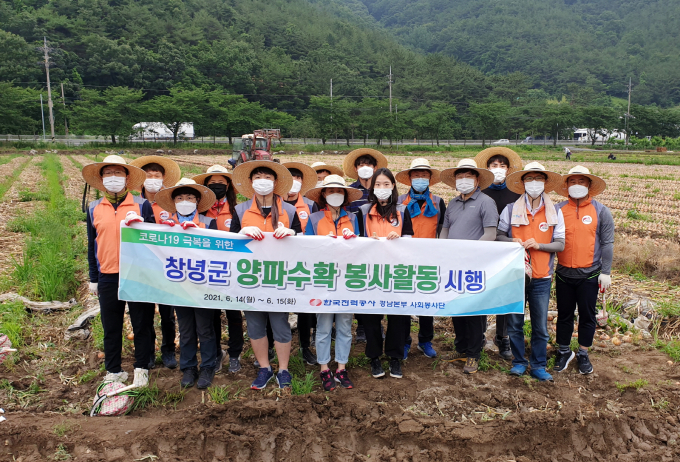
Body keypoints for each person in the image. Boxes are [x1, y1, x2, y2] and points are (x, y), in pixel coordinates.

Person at [83, 155, 155, 388]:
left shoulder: (142, 205)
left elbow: (154, 244)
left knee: (141, 323)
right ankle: (113, 370)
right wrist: (94, 277)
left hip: (136, 274)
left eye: (118, 173)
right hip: (108, 275)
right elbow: (91, 244)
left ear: (127, 177)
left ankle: (141, 368)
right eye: (108, 173)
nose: (113, 178)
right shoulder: (94, 208)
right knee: (111, 325)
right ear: (102, 179)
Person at [230, 161, 302, 389]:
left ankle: (283, 369)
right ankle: (264, 368)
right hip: (249, 277)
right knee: (255, 324)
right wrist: (241, 233)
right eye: (258, 177)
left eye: (267, 177)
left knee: (280, 323)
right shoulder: (240, 210)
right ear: (251, 182)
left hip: (279, 277)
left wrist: (293, 233)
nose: (263, 181)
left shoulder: (289, 210)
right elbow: (229, 245)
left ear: (276, 182)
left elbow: (306, 246)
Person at [498, 162, 565, 382]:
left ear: (545, 182)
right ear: (523, 183)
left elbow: (560, 244)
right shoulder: (510, 209)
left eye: (538, 178)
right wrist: (512, 240)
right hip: (516, 276)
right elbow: (499, 237)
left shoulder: (555, 212)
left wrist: (540, 245)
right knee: (515, 324)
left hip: (542, 277)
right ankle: (519, 362)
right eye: (529, 179)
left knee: (540, 325)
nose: (534, 183)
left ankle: (538, 365)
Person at [155, 178, 220, 389]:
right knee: (186, 329)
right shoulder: (165, 227)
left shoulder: (208, 223)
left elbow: (219, 253)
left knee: (205, 328)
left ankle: (208, 366)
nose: (185, 201)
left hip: (204, 285)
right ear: (174, 202)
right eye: (180, 198)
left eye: (190, 198)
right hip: (179, 286)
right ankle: (189, 366)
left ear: (198, 201)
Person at [439, 159, 499, 374]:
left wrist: (469, 253)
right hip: (454, 264)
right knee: (458, 308)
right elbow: (445, 230)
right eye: (460, 176)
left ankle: (473, 354)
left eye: (468, 176)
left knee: (474, 310)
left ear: (477, 179)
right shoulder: (453, 203)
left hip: (474, 265)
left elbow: (490, 234)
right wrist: (445, 251)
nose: (464, 180)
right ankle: (461, 347)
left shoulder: (486, 202)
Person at [553, 166, 614, 375]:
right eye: (572, 181)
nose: (576, 185)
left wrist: (606, 271)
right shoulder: (558, 210)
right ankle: (563, 351)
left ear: (589, 185)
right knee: (564, 315)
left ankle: (583, 352)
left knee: (588, 316)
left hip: (590, 274)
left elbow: (607, 243)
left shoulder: (601, 211)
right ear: (567, 186)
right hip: (563, 274)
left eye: (581, 181)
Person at [304, 174, 363, 390]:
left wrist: (354, 239)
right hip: (323, 279)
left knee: (345, 326)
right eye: (330, 191)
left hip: (347, 280)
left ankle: (341, 367)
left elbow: (363, 249)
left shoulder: (355, 219)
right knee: (324, 326)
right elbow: (306, 248)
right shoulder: (315, 219)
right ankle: (323, 368)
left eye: (339, 191)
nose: (335, 195)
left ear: (345, 195)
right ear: (323, 195)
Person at [355, 168, 414, 379]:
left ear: (393, 187)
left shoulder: (402, 210)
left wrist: (399, 240)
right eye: (378, 185)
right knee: (371, 317)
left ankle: (395, 357)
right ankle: (374, 357)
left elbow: (409, 240)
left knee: (398, 317)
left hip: (397, 272)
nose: (382, 189)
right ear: (372, 188)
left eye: (386, 184)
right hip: (370, 272)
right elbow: (356, 240)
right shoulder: (362, 211)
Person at [129, 156, 181, 370]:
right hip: (142, 267)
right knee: (144, 314)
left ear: (163, 179)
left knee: (168, 314)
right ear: (141, 180)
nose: (152, 180)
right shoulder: (134, 204)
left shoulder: (170, 204)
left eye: (156, 176)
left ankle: (168, 350)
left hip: (167, 266)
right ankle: (148, 352)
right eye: (148, 176)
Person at [193, 165, 244, 374]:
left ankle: (235, 354)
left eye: (222, 183)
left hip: (232, 270)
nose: (217, 187)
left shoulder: (236, 210)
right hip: (207, 270)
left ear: (229, 186)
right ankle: (215, 353)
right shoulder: (199, 212)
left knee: (233, 315)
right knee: (211, 315)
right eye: (212, 183)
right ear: (205, 187)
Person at [474, 147, 523, 361]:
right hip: (484, 250)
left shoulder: (516, 194)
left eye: (503, 166)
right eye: (494, 165)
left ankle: (502, 337)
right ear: (487, 169)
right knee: (482, 290)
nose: (499, 169)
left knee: (504, 293)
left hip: (507, 249)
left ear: (509, 169)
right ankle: (481, 334)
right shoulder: (481, 193)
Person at [395, 158, 446, 360]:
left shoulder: (438, 202)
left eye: (424, 175)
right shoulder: (399, 202)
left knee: (426, 301)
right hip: (404, 258)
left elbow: (442, 229)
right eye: (416, 175)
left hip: (429, 259)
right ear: (409, 179)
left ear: (430, 179)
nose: (420, 179)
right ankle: (405, 340)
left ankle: (425, 340)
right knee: (405, 302)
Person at [342, 149, 388, 343]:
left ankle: (377, 324)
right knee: (360, 285)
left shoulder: (382, 191)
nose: (365, 168)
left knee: (378, 285)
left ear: (376, 168)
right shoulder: (351, 192)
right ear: (355, 168)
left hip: (380, 249)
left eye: (369, 164)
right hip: (358, 247)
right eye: (361, 164)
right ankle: (361, 326)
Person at [283, 162, 320, 366]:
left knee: (305, 307)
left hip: (304, 263)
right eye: (290, 177)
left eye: (298, 178)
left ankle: (305, 346)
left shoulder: (310, 205)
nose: (294, 182)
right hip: (279, 263)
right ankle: (274, 345)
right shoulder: (276, 204)